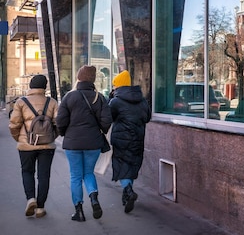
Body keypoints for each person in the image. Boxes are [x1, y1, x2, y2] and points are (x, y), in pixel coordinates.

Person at [56, 65, 112, 222]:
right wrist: (98, 130)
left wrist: (64, 133)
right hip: (93, 143)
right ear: (93, 79)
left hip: (73, 143)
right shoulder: (99, 97)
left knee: (75, 176)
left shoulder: (69, 97)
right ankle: (94, 198)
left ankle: (78, 211)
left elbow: (60, 121)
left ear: (78, 78)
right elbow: (107, 120)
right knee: (88, 173)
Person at [8, 74, 58, 218]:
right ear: (45, 87)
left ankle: (31, 199)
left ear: (30, 86)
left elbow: (14, 124)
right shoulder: (52, 102)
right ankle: (41, 208)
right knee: (44, 176)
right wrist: (51, 137)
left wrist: (20, 139)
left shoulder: (21, 102)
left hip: (26, 145)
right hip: (47, 146)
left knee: (27, 172)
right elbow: (58, 124)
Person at [108, 70, 151, 213]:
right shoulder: (142, 100)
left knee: (122, 167)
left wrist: (110, 101)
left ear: (118, 86)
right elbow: (147, 118)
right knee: (131, 166)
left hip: (121, 140)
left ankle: (128, 190)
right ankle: (127, 195)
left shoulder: (116, 101)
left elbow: (109, 118)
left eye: (114, 86)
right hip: (138, 138)